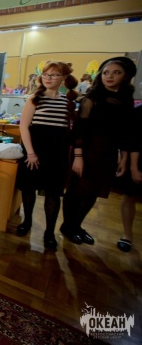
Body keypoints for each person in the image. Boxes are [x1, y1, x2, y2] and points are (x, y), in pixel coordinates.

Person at [60, 57, 136, 246]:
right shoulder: (91, 99)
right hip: (87, 150)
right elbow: (79, 129)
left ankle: (77, 226)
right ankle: (68, 227)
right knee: (76, 191)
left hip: (108, 152)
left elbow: (126, 132)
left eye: (116, 72)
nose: (110, 76)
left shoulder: (126, 100)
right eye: (106, 72)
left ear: (125, 76)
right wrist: (78, 157)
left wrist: (123, 158)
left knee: (93, 192)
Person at [15, 61, 78, 250]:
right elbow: (24, 126)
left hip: (57, 153)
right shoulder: (35, 98)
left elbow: (69, 130)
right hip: (34, 150)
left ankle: (49, 232)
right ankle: (27, 221)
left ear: (63, 78)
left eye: (54, 75)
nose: (48, 78)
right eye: (46, 74)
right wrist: (31, 153)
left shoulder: (67, 101)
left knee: (53, 194)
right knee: (29, 189)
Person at [115, 102, 141, 252]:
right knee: (129, 196)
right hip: (136, 159)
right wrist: (133, 167)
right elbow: (132, 140)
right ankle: (127, 234)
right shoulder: (138, 112)